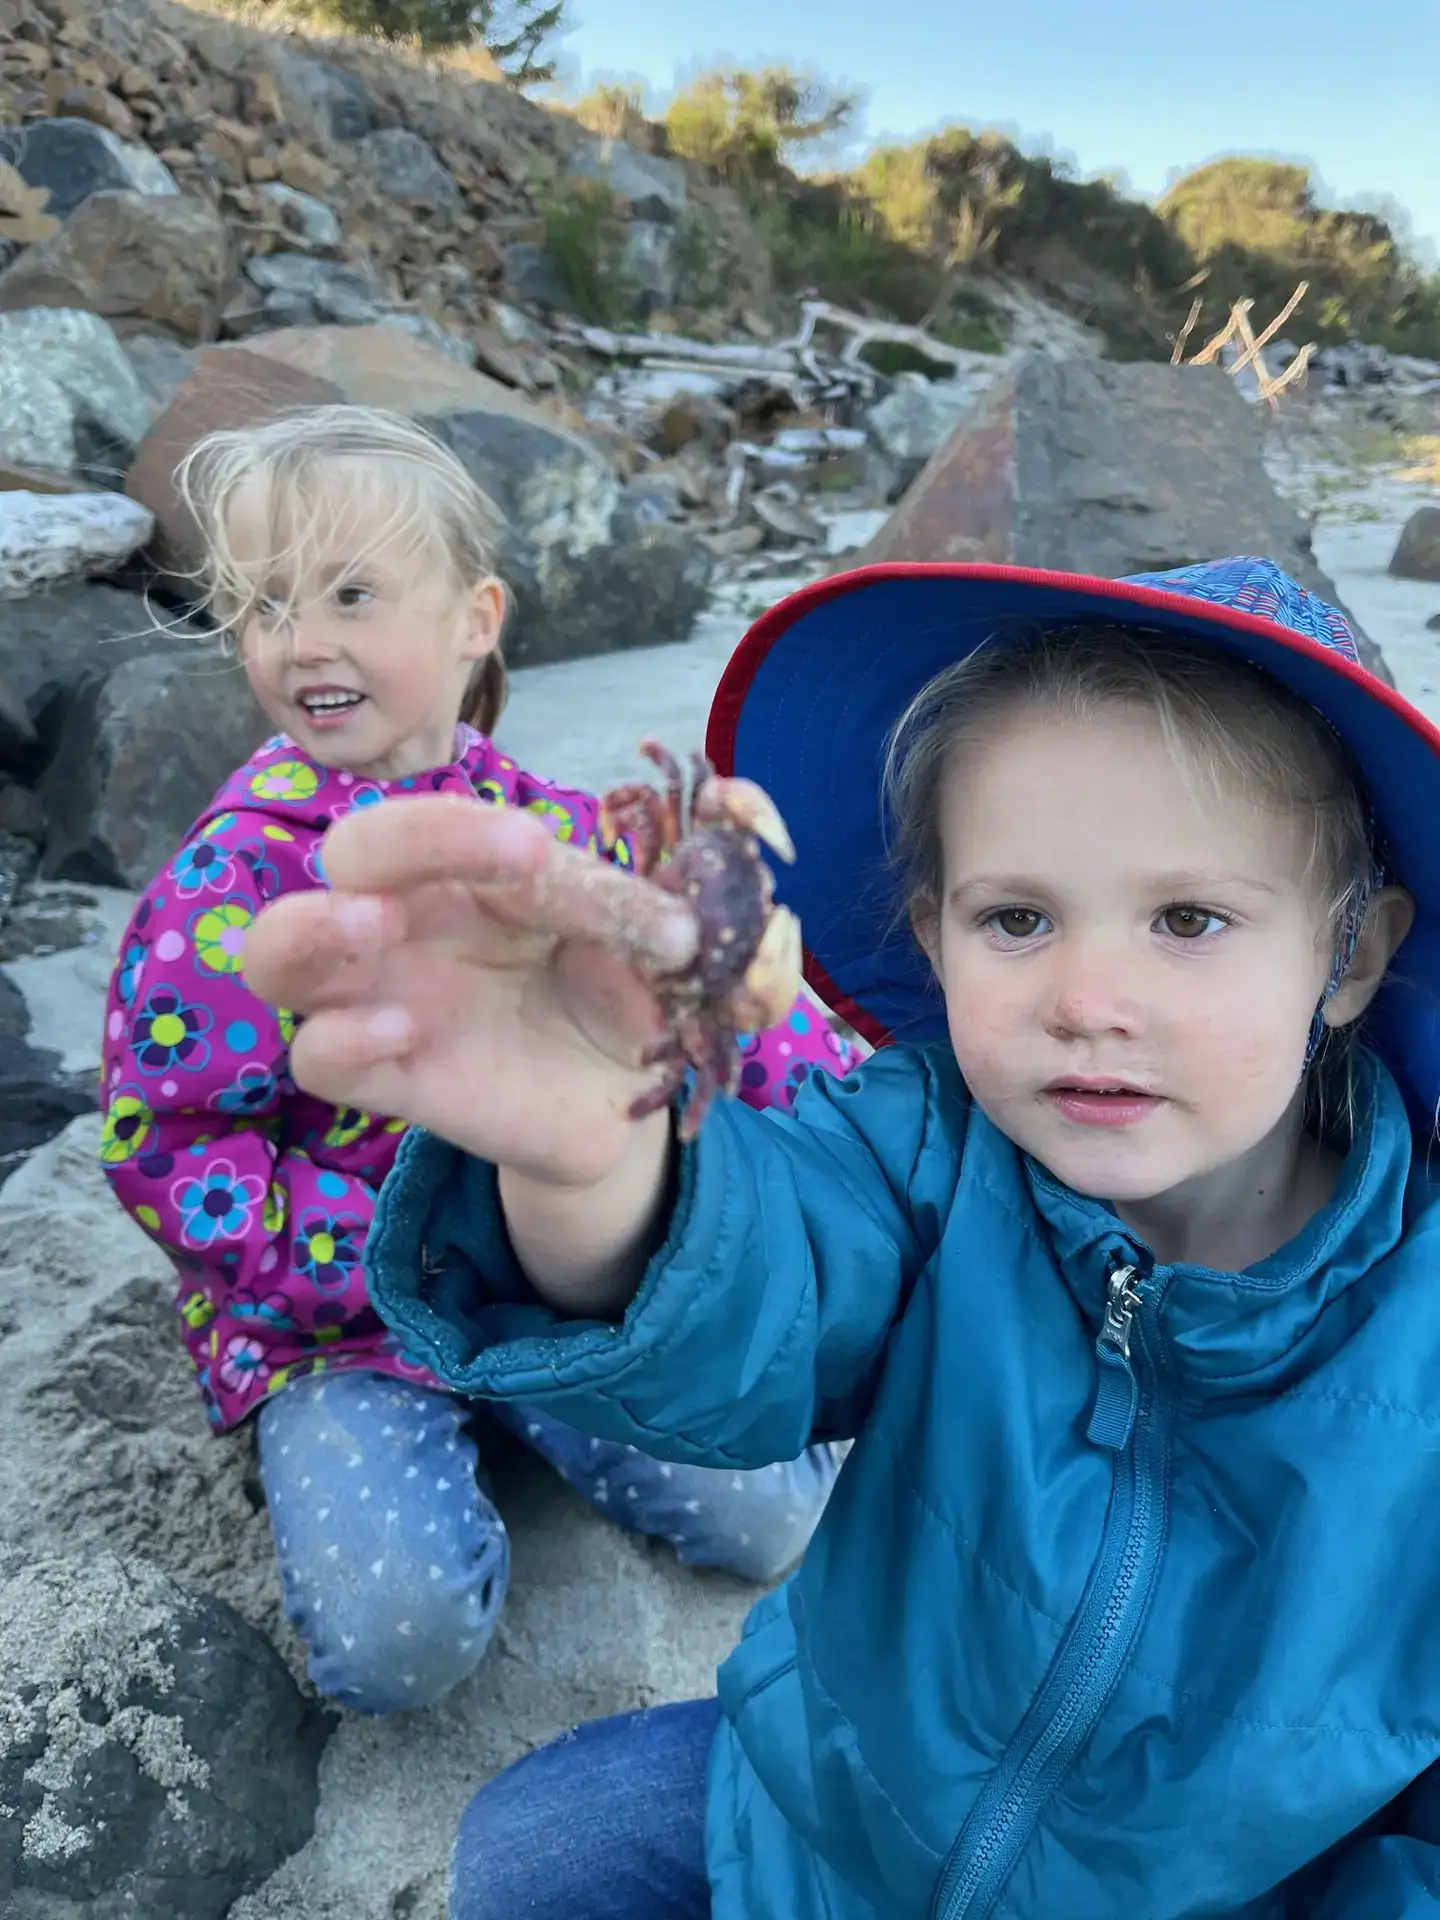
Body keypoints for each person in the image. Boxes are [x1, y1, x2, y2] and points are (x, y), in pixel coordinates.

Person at [241, 551, 1440, 1920]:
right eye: (1019, 917)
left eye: (1189, 919)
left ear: (1347, 958)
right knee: (535, 1844)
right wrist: (594, 1162)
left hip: (1223, 1893)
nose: (1088, 995)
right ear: (933, 937)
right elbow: (755, 1293)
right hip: (841, 1821)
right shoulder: (928, 1148)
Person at [98, 403, 857, 1719]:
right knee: (399, 1643)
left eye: (352, 594)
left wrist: (815, 1075)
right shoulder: (225, 886)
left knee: (768, 1524)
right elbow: (172, 1144)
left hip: (567, 1281)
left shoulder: (560, 834)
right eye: (268, 604)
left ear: (475, 617)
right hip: (339, 1326)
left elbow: (695, 990)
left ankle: (585, 1407)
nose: (306, 639)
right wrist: (380, 1271)